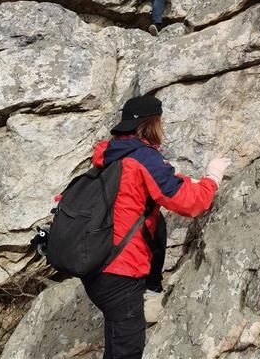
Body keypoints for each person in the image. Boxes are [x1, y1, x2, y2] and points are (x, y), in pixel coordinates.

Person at [81, 94, 231, 359]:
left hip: (97, 266)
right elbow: (191, 204)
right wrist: (212, 178)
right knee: (126, 352)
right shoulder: (143, 157)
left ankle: (151, 292)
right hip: (120, 274)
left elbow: (151, 185)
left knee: (156, 221)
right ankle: (150, 293)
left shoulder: (112, 154)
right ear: (153, 123)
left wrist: (188, 180)